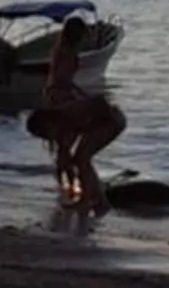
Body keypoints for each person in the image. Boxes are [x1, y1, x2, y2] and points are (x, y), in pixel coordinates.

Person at [40, 18, 127, 210]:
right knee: (71, 154)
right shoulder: (67, 54)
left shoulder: (62, 52)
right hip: (63, 101)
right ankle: (85, 196)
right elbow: (62, 81)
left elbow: (60, 81)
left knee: (73, 155)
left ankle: (83, 195)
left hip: (73, 106)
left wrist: (78, 96)